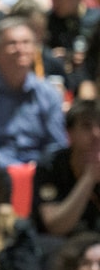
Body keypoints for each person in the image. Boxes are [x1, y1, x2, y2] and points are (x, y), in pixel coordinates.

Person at [0, 16, 68, 167]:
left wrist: (38, 166)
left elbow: (57, 144)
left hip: (39, 172)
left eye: (26, 43)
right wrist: (13, 168)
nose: (20, 49)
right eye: (12, 43)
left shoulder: (49, 94)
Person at [34, 98, 100, 237]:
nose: (96, 134)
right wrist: (89, 178)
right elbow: (56, 226)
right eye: (86, 126)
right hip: (62, 244)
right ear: (70, 133)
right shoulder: (50, 166)